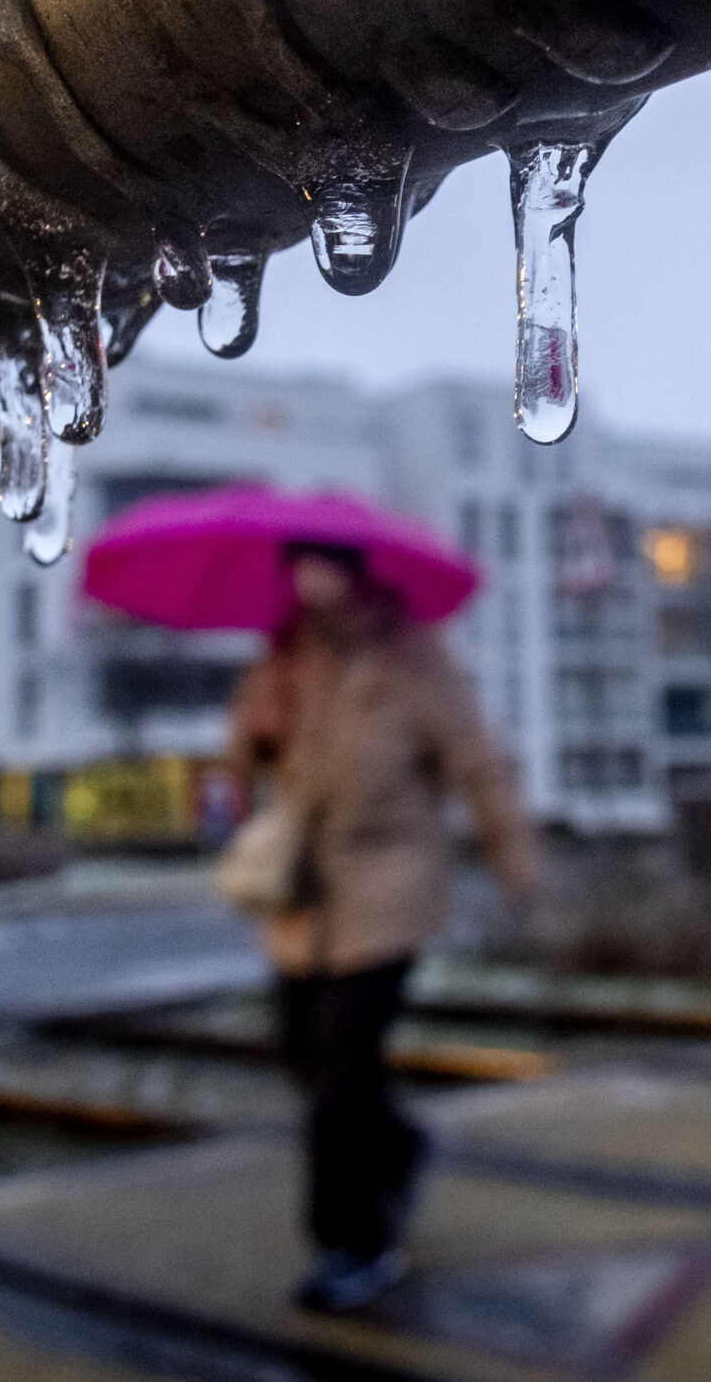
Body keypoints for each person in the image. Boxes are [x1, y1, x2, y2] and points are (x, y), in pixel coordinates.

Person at [225, 541, 539, 1314]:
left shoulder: (413, 657)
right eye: (294, 564)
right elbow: (242, 758)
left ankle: (354, 1243)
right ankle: (398, 1144)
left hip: (389, 883)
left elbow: (476, 761)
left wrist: (515, 859)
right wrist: (256, 730)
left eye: (319, 563)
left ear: (356, 571)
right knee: (302, 1051)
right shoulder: (283, 653)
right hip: (306, 893)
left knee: (341, 1074)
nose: (304, 578)